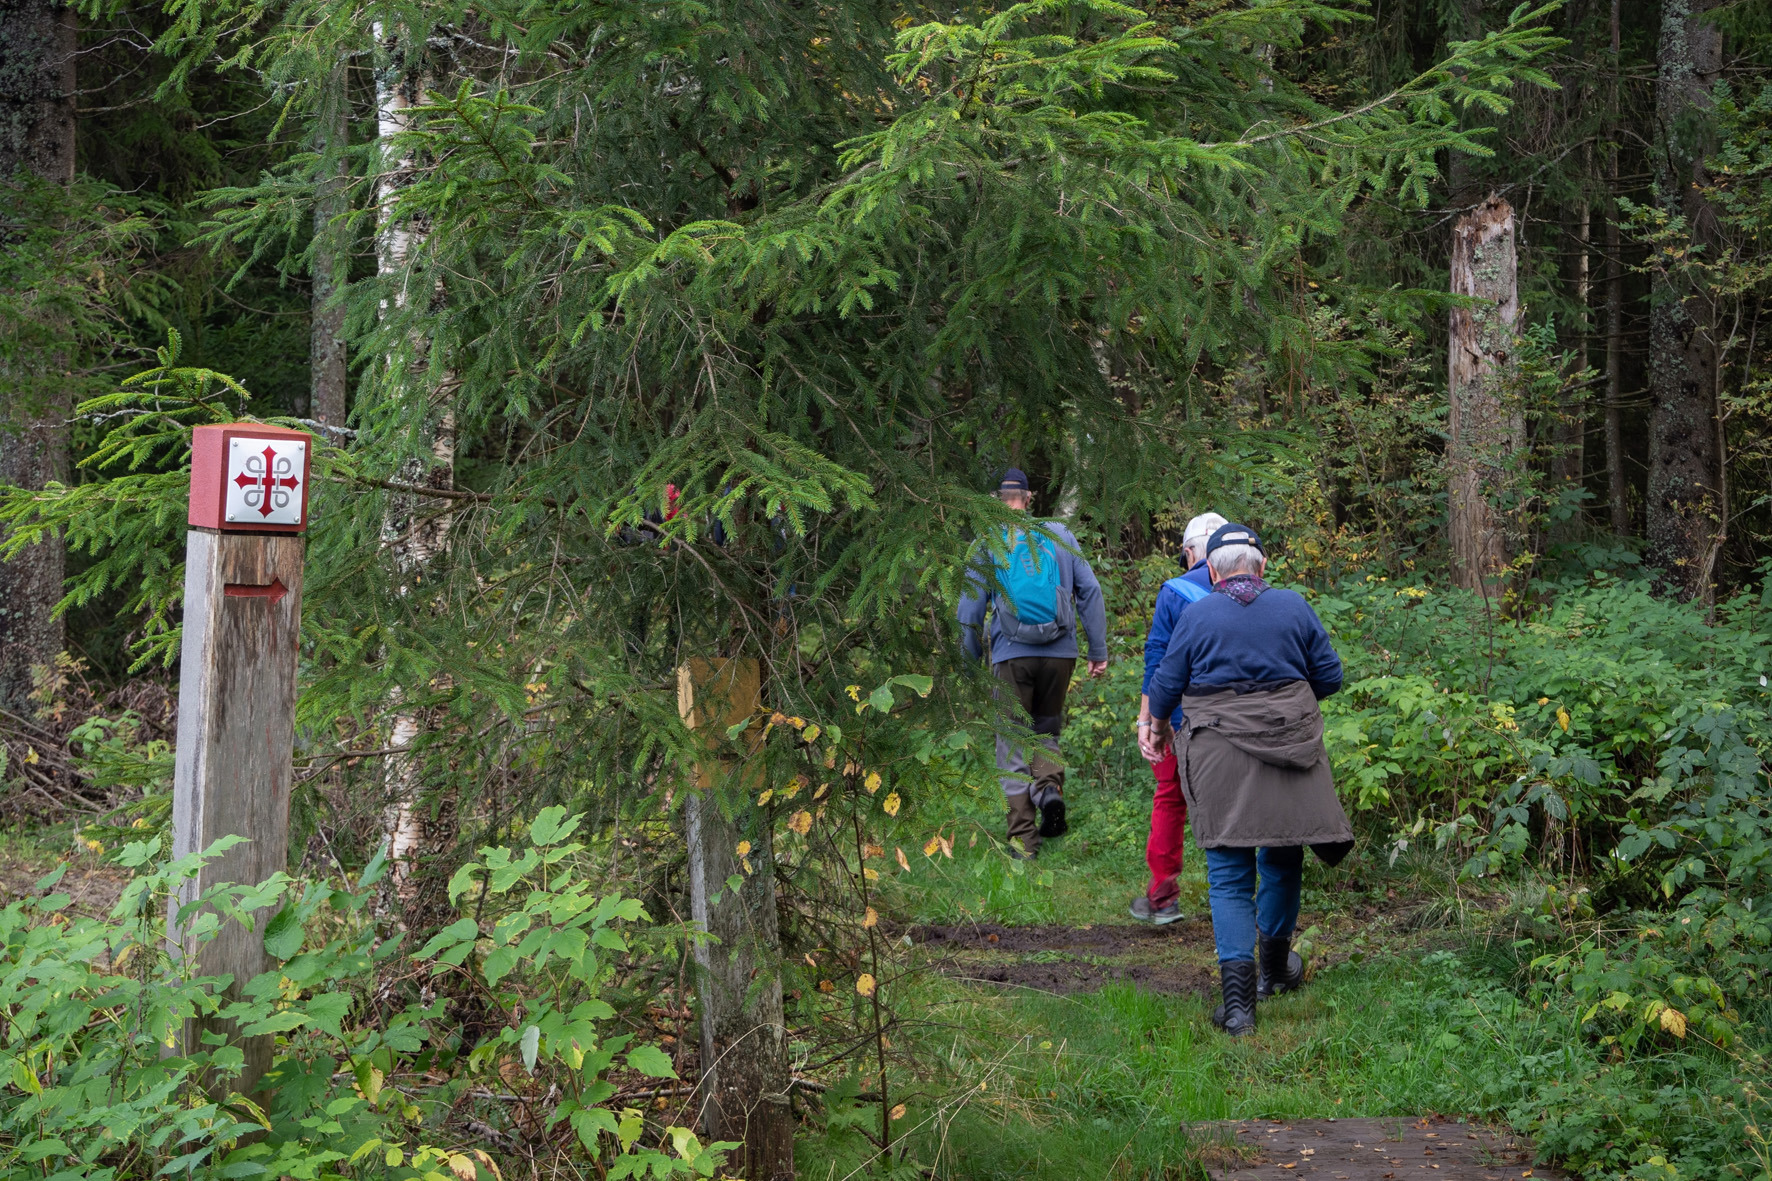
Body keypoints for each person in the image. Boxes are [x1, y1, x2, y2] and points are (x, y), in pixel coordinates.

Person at [1146, 523, 1352, 1037]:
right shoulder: (1293, 606)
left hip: (1217, 756)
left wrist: (1157, 727)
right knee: (1282, 856)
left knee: (1229, 874)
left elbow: (1166, 685)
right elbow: (1330, 677)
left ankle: (1238, 1008)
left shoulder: (1196, 615)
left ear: (1212, 572)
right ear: (1262, 567)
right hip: (1290, 753)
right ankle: (1274, 971)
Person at [958, 468, 1109, 858]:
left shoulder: (986, 543)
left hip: (1012, 655)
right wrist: (1098, 650)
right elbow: (1090, 591)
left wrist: (970, 663)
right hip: (1060, 654)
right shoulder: (1060, 535)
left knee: (1011, 741)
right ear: (1029, 499)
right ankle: (1048, 790)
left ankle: (1024, 840)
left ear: (996, 500)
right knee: (1045, 730)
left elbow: (970, 610)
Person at [1129, 511, 1226, 925]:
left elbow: (1158, 661)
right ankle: (1237, 897)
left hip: (1184, 716)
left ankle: (1163, 897)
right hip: (1242, 718)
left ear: (1189, 552)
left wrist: (1148, 721)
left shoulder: (1174, 592)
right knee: (1236, 800)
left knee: (1170, 796)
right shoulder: (1253, 588)